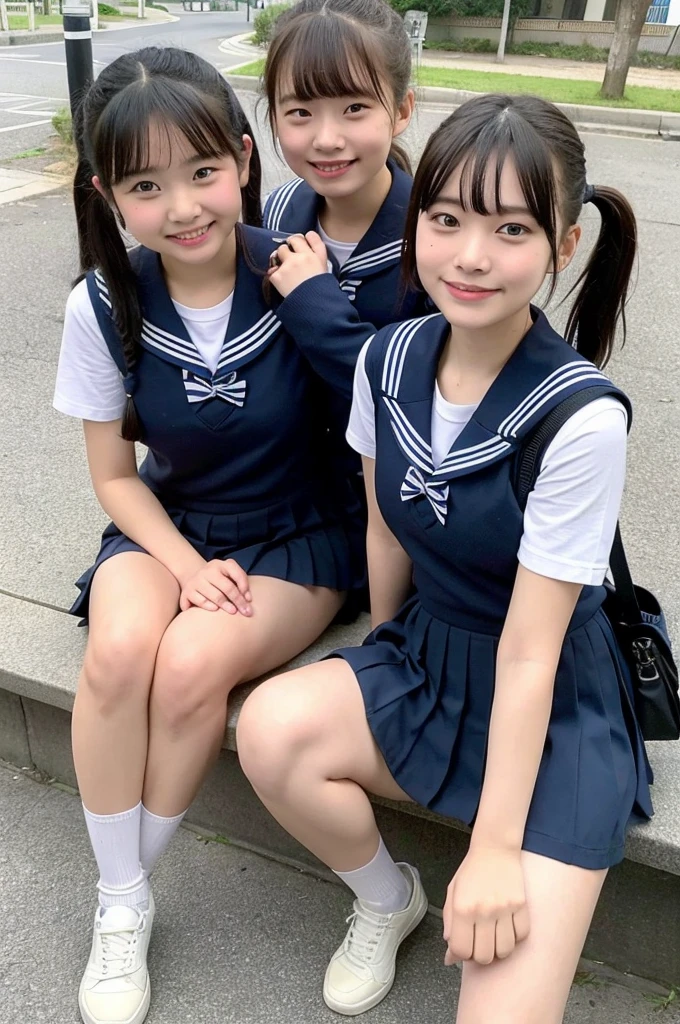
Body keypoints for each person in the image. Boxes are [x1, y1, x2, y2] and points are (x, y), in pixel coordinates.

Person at [236, 93, 654, 1023]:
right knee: (271, 732)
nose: (470, 256)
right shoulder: (389, 356)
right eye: (447, 218)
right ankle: (391, 902)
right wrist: (384, 652)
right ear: (416, 219)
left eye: (512, 228)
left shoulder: (580, 417)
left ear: (565, 246)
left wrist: (495, 849)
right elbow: (387, 524)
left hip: (552, 710)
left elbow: (532, 650)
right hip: (431, 651)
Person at [53, 46, 363, 1024]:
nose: (182, 206)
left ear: (240, 158)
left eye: (201, 172)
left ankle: (120, 893)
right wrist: (185, 566)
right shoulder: (103, 303)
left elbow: (376, 415)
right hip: (170, 524)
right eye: (146, 185)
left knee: (188, 667)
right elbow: (112, 475)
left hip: (293, 531)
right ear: (108, 193)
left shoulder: (296, 271)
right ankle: (123, 907)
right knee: (120, 651)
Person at [260, 0, 429, 527]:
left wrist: (315, 300)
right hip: (277, 492)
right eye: (300, 113)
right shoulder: (279, 212)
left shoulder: (435, 238)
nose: (326, 138)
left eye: (354, 108)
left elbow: (416, 400)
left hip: (393, 514)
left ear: (401, 110)